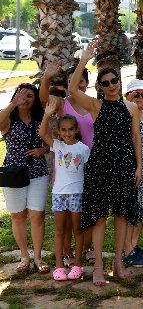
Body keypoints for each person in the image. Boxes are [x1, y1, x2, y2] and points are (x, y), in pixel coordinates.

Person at [69, 41, 142, 286]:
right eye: (106, 83)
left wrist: (139, 166)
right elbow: (72, 89)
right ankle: (98, 266)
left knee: (121, 216)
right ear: (100, 87)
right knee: (100, 217)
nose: (111, 85)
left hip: (124, 164)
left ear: (120, 82)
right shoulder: (95, 106)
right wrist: (84, 60)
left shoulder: (132, 107)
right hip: (101, 164)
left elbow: (135, 138)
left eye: (114, 81)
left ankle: (118, 262)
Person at [40, 59, 95, 266]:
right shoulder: (64, 104)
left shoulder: (94, 103)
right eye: (72, 80)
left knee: (88, 213)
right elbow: (45, 99)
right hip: (67, 169)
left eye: (81, 80)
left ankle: (87, 248)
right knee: (65, 220)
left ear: (86, 83)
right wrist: (47, 78)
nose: (77, 84)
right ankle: (67, 253)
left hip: (89, 164)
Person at [0, 84, 49, 274]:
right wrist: (13, 104)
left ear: (35, 100)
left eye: (30, 95)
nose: (26, 99)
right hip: (14, 173)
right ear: (15, 97)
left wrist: (42, 150)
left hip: (38, 172)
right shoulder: (8, 119)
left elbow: (50, 142)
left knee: (37, 215)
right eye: (22, 95)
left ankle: (37, 257)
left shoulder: (39, 119)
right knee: (18, 216)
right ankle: (24, 256)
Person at [40, 99, 89, 281]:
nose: (67, 133)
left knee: (78, 230)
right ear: (59, 132)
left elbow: (87, 172)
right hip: (59, 194)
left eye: (70, 129)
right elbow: (42, 132)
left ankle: (78, 264)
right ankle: (59, 266)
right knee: (60, 231)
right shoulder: (57, 145)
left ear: (76, 130)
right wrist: (47, 114)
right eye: (63, 130)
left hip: (77, 193)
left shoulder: (83, 149)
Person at [122, 79, 143, 267]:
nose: (141, 98)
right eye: (136, 94)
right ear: (127, 96)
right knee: (130, 210)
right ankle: (126, 249)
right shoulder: (124, 114)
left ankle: (133, 246)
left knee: (142, 208)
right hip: (130, 169)